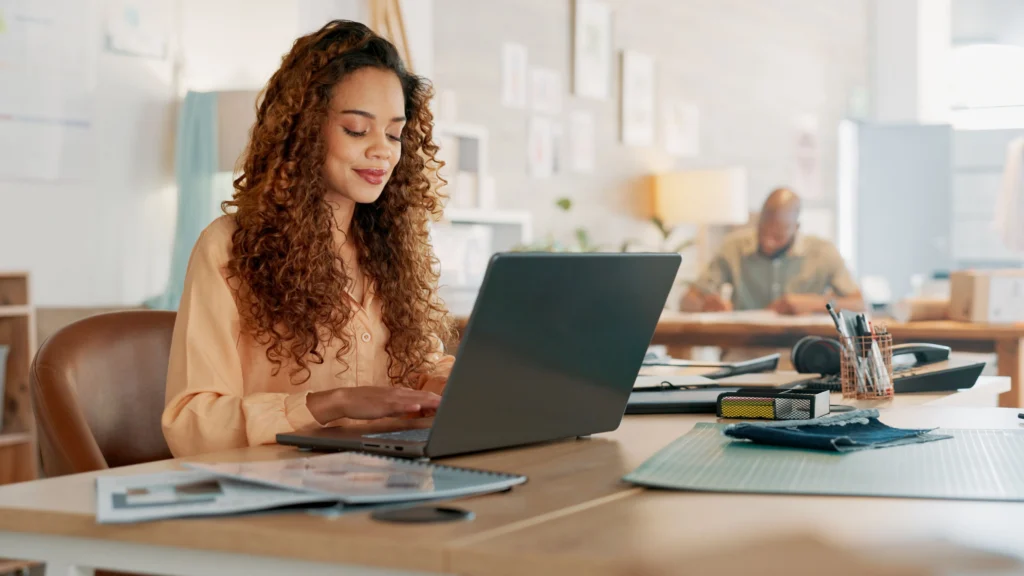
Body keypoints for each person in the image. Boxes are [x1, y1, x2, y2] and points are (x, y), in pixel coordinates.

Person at [162, 20, 455, 458]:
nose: (383, 150)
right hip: (281, 496)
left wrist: (456, 386)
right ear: (304, 130)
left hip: (388, 481)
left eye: (395, 134)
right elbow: (190, 423)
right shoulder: (229, 248)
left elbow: (422, 371)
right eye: (358, 129)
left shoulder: (394, 251)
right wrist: (328, 405)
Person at [681, 187, 864, 315]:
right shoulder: (733, 247)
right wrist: (706, 304)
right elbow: (687, 302)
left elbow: (859, 305)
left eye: (777, 236)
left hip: (802, 350)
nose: (767, 243)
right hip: (744, 351)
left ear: (796, 227)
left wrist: (812, 304)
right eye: (762, 232)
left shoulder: (823, 252)